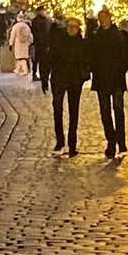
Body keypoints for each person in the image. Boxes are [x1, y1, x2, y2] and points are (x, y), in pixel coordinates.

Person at [88, 6, 128, 157]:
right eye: (101, 18)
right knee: (105, 112)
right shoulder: (95, 37)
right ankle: (111, 141)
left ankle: (121, 140)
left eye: (105, 17)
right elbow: (90, 56)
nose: (103, 20)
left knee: (118, 110)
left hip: (117, 79)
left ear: (110, 18)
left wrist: (122, 67)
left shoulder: (120, 35)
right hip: (101, 80)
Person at [46, 15, 90, 155]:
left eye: (74, 27)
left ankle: (72, 144)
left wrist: (84, 73)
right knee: (57, 109)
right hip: (59, 79)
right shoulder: (59, 41)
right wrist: (45, 78)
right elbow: (50, 58)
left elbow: (88, 60)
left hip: (75, 80)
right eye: (69, 26)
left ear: (78, 29)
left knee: (74, 111)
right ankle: (60, 140)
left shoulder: (82, 44)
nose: (72, 29)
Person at [30, 6, 52, 91]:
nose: (44, 12)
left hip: (44, 43)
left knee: (42, 61)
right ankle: (36, 74)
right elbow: (36, 32)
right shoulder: (37, 21)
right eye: (42, 10)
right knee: (38, 60)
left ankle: (42, 76)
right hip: (39, 43)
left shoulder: (46, 20)